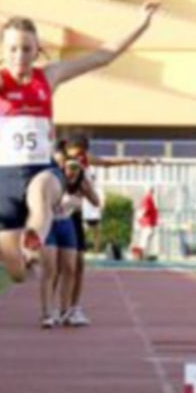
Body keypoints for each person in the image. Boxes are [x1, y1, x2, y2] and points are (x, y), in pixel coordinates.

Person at [0, 3, 158, 325]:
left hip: (41, 168)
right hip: (6, 177)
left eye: (27, 49)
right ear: (1, 51)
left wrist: (141, 24)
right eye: (12, 49)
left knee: (43, 195)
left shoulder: (49, 76)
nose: (20, 56)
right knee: (15, 274)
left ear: (37, 50)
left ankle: (35, 240)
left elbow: (102, 56)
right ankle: (26, 254)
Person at [63, 134, 152, 326]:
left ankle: (73, 308)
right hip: (60, 215)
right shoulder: (59, 160)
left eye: (81, 155)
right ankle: (55, 308)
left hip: (76, 215)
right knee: (63, 267)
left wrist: (135, 160)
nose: (77, 160)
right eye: (75, 155)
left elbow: (107, 162)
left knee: (78, 265)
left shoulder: (85, 160)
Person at [41, 154, 100, 328]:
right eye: (70, 167)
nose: (72, 172)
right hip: (49, 223)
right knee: (51, 269)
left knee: (70, 268)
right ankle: (47, 312)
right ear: (63, 167)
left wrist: (88, 187)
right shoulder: (54, 180)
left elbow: (96, 202)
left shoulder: (81, 183)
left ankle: (66, 310)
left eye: (77, 168)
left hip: (67, 224)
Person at [134, 186, 158, 260]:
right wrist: (139, 217)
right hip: (147, 222)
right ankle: (141, 254)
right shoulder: (148, 198)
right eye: (151, 190)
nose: (152, 192)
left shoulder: (149, 198)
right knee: (145, 238)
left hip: (149, 222)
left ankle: (143, 254)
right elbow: (145, 209)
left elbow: (146, 209)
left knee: (146, 238)